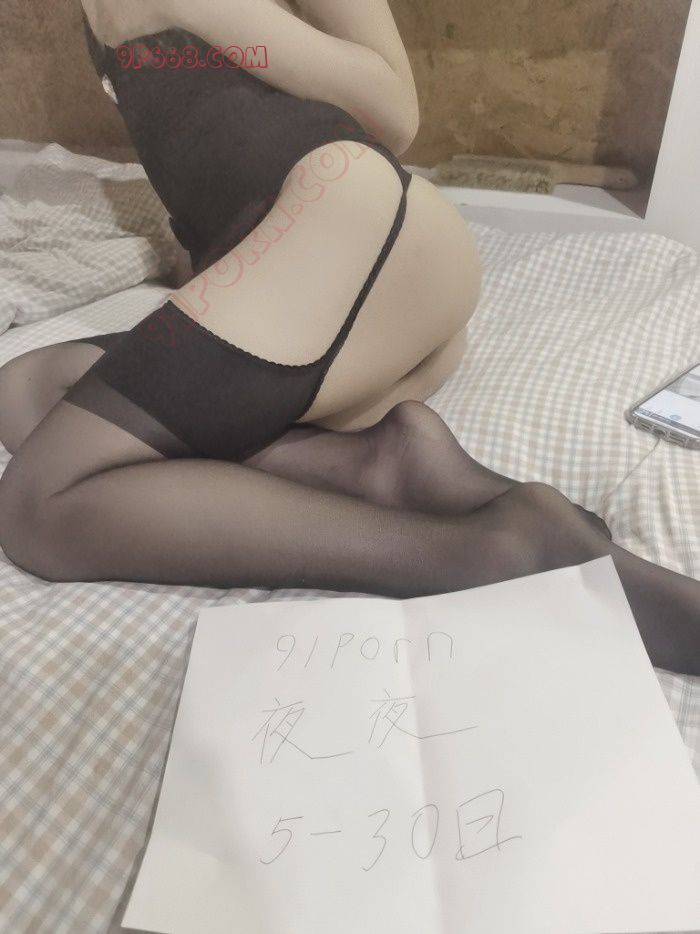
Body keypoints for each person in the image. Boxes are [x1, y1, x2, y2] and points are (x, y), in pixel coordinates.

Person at [0, 0, 698, 676]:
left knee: (41, 505)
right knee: (28, 389)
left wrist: (193, 8)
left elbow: (394, 110)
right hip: (310, 293)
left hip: (348, 215)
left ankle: (486, 554)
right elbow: (196, 138)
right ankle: (383, 465)